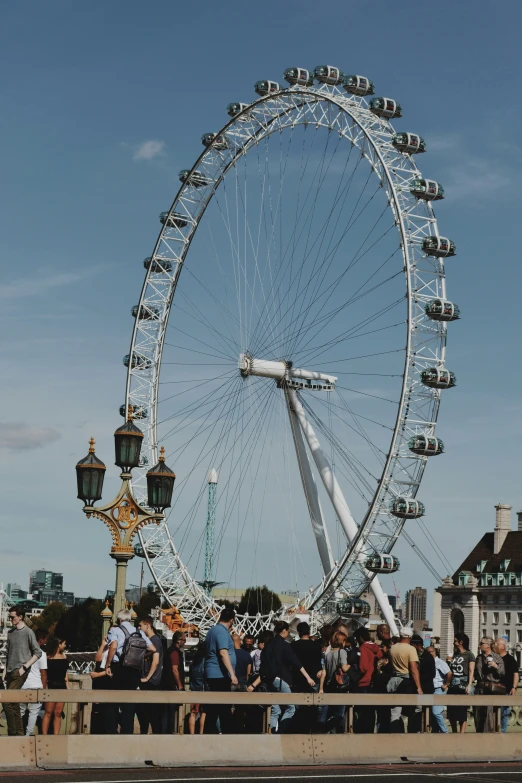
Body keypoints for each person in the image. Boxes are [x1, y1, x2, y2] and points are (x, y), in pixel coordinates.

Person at [248, 620, 315, 733]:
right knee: (290, 708)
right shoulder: (284, 645)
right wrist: (308, 678)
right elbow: (296, 663)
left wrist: (254, 684)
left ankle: (272, 732)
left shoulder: (269, 645)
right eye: (288, 631)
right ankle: (280, 733)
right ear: (284, 631)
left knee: (275, 710)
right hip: (280, 680)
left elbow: (264, 666)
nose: (288, 633)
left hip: (268, 681)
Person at [104, 608, 156, 734]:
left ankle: (112, 731)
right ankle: (127, 732)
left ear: (119, 619)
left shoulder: (115, 630)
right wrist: (140, 656)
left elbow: (114, 646)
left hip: (119, 668)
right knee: (129, 704)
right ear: (130, 619)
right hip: (134, 670)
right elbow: (152, 649)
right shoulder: (138, 632)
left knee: (113, 702)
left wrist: (108, 664)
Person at [3, 608, 42, 736]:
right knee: (13, 704)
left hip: (20, 672)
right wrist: (4, 672)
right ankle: (18, 734)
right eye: (9, 617)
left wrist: (25, 667)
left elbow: (38, 652)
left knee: (7, 700)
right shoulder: (10, 633)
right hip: (9, 672)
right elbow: (8, 654)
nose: (10, 619)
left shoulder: (28, 632)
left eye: (12, 617)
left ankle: (12, 732)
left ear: (20, 617)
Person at [204, 608, 237, 734]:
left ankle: (209, 735)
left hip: (213, 673)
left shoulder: (212, 630)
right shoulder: (222, 632)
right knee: (224, 709)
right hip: (219, 675)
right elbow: (223, 653)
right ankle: (227, 737)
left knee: (213, 709)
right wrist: (232, 674)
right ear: (232, 620)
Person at [387, 627, 422, 733]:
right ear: (410, 637)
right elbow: (414, 670)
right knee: (417, 707)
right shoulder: (410, 649)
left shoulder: (392, 648)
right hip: (407, 682)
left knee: (395, 711)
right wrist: (419, 687)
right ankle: (413, 732)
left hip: (393, 681)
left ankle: (396, 734)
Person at [318, 631, 354, 733]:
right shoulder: (342, 652)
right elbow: (345, 668)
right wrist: (351, 662)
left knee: (330, 712)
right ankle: (334, 733)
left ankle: (324, 731)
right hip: (340, 687)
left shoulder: (328, 654)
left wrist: (321, 688)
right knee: (339, 714)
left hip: (329, 686)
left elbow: (324, 673)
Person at [291, 621, 322, 732]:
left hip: (298, 680)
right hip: (313, 680)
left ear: (299, 632)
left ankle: (298, 730)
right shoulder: (316, 646)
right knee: (312, 708)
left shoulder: (294, 645)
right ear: (308, 632)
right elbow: (319, 664)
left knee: (298, 709)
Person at [136, 616, 163, 735]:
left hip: (151, 682)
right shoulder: (153, 640)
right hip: (151, 681)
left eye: (140, 626)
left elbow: (155, 661)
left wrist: (147, 678)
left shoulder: (155, 640)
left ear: (147, 625)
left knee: (150, 714)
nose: (139, 628)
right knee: (147, 714)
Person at [353, 626, 382, 733]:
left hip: (363, 683)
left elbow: (363, 667)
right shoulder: (377, 648)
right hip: (373, 682)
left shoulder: (363, 648)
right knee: (370, 712)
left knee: (362, 712)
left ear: (360, 638)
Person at [20, 628, 48, 736]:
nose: (46, 642)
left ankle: (19, 733)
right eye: (45, 639)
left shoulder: (25, 652)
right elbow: (43, 673)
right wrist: (44, 688)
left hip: (23, 685)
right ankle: (28, 735)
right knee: (33, 713)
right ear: (41, 640)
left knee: (21, 711)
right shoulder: (42, 654)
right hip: (36, 686)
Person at [474, 636, 505, 733]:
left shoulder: (496, 657)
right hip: (479, 688)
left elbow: (503, 673)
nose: (479, 645)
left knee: (489, 715)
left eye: (481, 643)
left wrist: (495, 666)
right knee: (477, 714)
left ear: (488, 645)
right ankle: (478, 736)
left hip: (491, 689)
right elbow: (476, 673)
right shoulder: (479, 657)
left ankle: (489, 737)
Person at [447, 632, 475, 734]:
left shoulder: (469, 655)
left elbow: (471, 670)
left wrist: (469, 684)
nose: (453, 643)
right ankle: (454, 732)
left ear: (461, 642)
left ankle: (461, 734)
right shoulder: (455, 654)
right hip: (452, 685)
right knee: (451, 711)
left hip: (462, 685)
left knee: (462, 711)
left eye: (455, 641)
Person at [408, 635, 435, 733]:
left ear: (417, 645)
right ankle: (414, 730)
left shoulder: (427, 657)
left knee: (426, 711)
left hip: (426, 688)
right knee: (415, 712)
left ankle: (426, 729)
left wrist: (418, 677)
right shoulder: (412, 655)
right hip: (415, 689)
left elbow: (432, 674)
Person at [41, 636, 68, 735]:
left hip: (62, 687)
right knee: (48, 712)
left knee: (58, 713)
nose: (65, 646)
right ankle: (44, 735)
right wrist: (45, 687)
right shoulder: (48, 658)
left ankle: (56, 736)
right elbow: (44, 674)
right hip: (51, 686)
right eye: (64, 643)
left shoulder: (64, 657)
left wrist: (67, 685)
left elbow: (65, 673)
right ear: (58, 645)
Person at [494, 638, 519, 733]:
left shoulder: (510, 659)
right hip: (494, 689)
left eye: (497, 644)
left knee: (504, 712)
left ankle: (502, 732)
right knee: (496, 712)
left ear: (503, 647)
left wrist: (514, 687)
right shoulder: (494, 657)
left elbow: (515, 674)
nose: (495, 645)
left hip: (506, 689)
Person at [427, 645, 450, 734]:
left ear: (434, 652)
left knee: (436, 712)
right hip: (431, 689)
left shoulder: (440, 662)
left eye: (430, 652)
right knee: (433, 714)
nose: (429, 654)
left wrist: (446, 684)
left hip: (439, 689)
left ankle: (445, 732)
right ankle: (435, 731)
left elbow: (449, 673)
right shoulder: (429, 663)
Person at [231, 632, 252, 732]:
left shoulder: (229, 655)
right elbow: (249, 673)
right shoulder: (247, 655)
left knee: (229, 708)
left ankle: (229, 729)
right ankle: (240, 729)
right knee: (241, 709)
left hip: (231, 683)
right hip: (243, 684)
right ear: (240, 641)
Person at [89, 635, 110, 734]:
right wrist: (102, 645)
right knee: (96, 706)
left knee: (105, 707)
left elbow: (113, 670)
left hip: (106, 679)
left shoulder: (116, 649)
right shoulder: (105, 648)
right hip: (98, 680)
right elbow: (97, 659)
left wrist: (98, 675)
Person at [188, 641, 207, 735]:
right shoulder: (205, 660)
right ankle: (201, 734)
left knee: (193, 713)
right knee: (203, 713)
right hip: (202, 689)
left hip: (194, 688)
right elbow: (204, 673)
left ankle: (192, 734)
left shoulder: (194, 660)